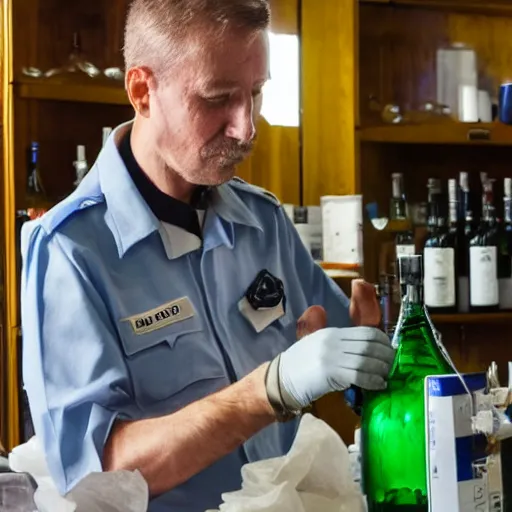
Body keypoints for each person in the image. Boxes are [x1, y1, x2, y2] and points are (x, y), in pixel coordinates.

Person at [20, 1, 394, 511]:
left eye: (256, 94)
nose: (246, 128)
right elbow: (97, 475)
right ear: (142, 91)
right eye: (217, 98)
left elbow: (332, 341)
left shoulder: (263, 221)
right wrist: (270, 389)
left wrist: (362, 360)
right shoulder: (70, 250)